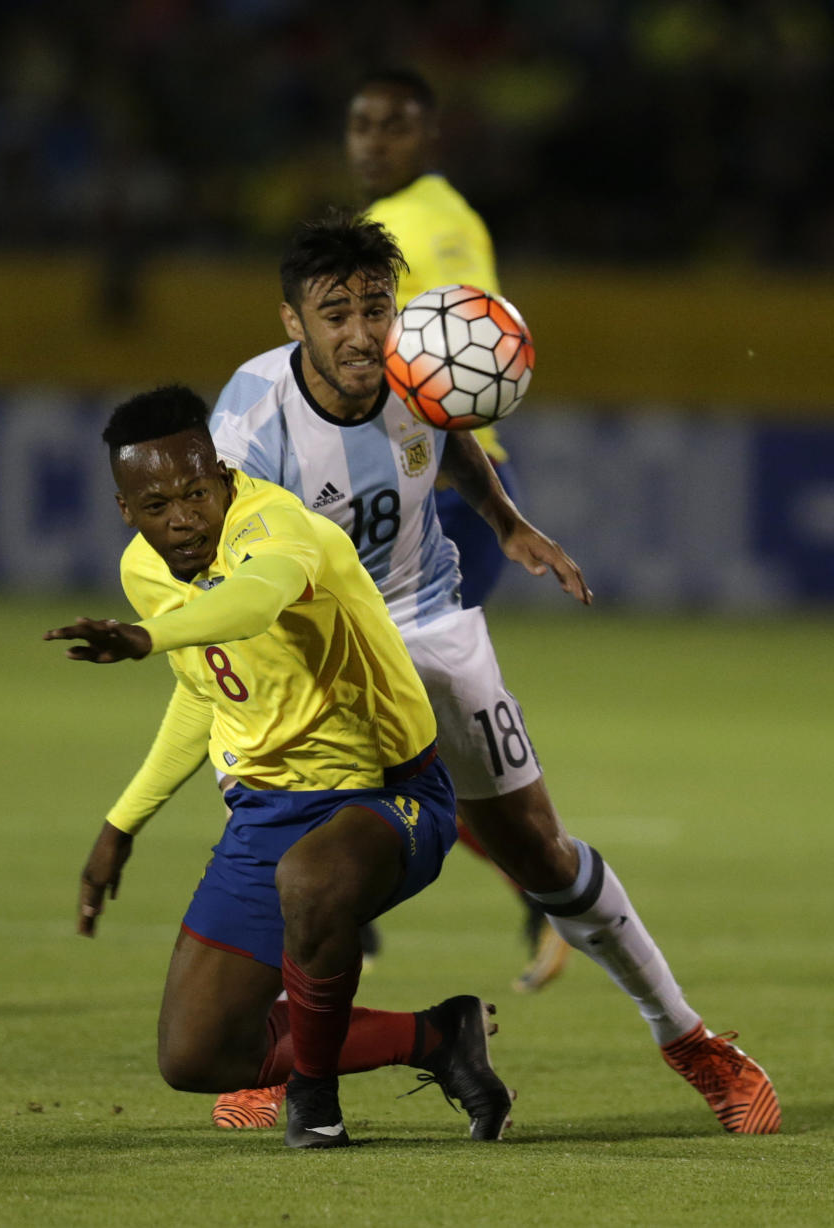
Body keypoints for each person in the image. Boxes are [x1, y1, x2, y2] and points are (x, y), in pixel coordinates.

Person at [206, 211, 781, 1136]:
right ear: (292, 323)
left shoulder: (417, 369)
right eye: (334, 313)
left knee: (538, 852)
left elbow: (450, 433)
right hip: (320, 652)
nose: (361, 333)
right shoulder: (250, 418)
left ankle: (691, 1040)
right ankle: (299, 1065)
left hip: (429, 625)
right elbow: (237, 571)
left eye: (375, 308)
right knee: (300, 863)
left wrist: (507, 520)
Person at [43, 385, 514, 1149]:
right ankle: (439, 1037)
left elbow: (254, 602)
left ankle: (315, 1105)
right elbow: (208, 696)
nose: (185, 518)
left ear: (222, 473)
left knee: (313, 880)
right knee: (197, 1055)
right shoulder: (146, 571)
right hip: (268, 810)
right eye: (157, 505)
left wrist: (143, 639)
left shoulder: (278, 527)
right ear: (126, 510)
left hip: (390, 792)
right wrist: (121, 824)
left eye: (198, 492)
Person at [346, 67, 569, 991]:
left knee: (385, 719)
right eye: (361, 124)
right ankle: (540, 890)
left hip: (435, 493)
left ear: (430, 137)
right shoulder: (399, 218)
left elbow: (468, 346)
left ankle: (547, 888)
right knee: (382, 718)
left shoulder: (431, 221)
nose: (373, 140)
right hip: (417, 487)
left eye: (394, 126)